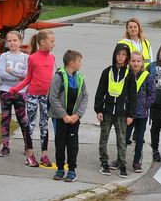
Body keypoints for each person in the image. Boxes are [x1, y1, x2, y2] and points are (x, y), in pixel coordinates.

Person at [10, 30, 56, 168]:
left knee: (44, 124)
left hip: (46, 96)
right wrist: (16, 89)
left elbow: (52, 79)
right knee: (30, 124)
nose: (53, 44)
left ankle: (44, 155)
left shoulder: (52, 58)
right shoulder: (32, 58)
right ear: (42, 42)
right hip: (32, 95)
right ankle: (30, 154)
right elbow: (28, 77)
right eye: (51, 41)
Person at [49, 50, 88, 182]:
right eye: (79, 61)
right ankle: (60, 168)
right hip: (60, 118)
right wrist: (64, 115)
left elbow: (85, 97)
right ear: (72, 63)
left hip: (74, 119)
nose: (80, 64)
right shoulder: (58, 77)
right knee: (60, 144)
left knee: (72, 145)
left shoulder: (80, 78)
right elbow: (53, 97)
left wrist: (78, 114)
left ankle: (72, 170)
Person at [94, 43, 131, 176]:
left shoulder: (129, 74)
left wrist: (130, 114)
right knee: (104, 137)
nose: (120, 57)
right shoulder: (107, 72)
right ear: (114, 55)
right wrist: (99, 110)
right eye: (118, 54)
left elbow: (133, 95)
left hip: (122, 113)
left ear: (127, 57)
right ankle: (104, 162)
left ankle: (122, 163)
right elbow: (100, 91)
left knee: (121, 139)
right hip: (107, 111)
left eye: (123, 55)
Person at [0, 30, 31, 158]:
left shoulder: (26, 57)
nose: (12, 43)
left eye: (15, 40)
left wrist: (11, 71)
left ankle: (28, 145)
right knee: (5, 119)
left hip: (21, 91)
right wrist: (18, 76)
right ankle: (5, 146)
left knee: (23, 119)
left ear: (20, 41)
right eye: (9, 41)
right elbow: (1, 74)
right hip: (5, 91)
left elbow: (27, 75)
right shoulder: (3, 56)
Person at [125, 51, 155, 172]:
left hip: (142, 114)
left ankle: (137, 162)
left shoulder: (147, 76)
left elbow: (152, 93)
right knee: (124, 137)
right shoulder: (126, 75)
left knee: (139, 139)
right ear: (129, 62)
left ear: (142, 62)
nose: (136, 63)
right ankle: (121, 159)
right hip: (128, 114)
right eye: (133, 61)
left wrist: (145, 105)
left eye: (138, 61)